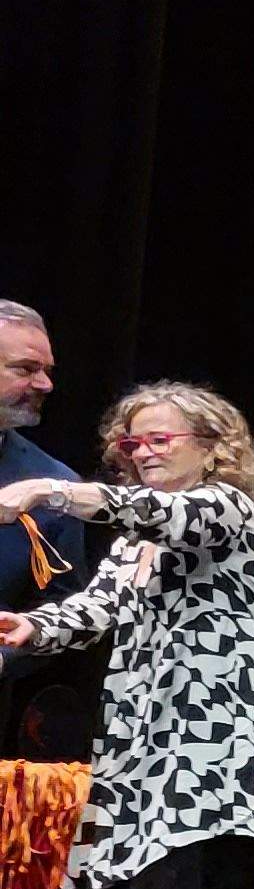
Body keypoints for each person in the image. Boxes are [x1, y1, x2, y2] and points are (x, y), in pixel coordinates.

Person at [0, 383, 254, 889]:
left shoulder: (225, 508)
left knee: (185, 881)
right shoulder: (138, 540)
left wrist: (50, 491)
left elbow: (161, 512)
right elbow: (100, 606)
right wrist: (31, 628)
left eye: (161, 439)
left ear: (211, 447)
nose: (144, 452)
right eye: (133, 442)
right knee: (153, 881)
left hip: (222, 734)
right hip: (149, 733)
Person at [0, 301, 100, 760]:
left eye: (47, 370)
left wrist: (7, 652)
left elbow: (62, 602)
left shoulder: (52, 484)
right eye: (26, 369)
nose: (45, 384)